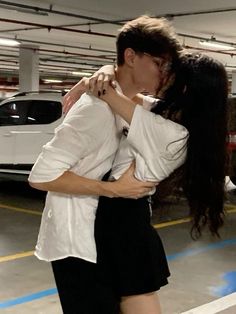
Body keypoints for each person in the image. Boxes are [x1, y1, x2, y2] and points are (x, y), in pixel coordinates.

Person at [28, 15, 182, 314]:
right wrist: (111, 190)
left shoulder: (134, 103)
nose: (164, 72)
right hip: (75, 242)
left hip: (102, 236)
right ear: (130, 56)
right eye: (158, 62)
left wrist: (96, 77)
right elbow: (40, 175)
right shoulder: (93, 111)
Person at [62, 52, 228, 314]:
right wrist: (105, 70)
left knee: (130, 297)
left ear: (185, 86)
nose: (160, 73)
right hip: (125, 216)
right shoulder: (174, 118)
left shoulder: (169, 132)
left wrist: (102, 76)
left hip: (120, 218)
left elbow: (110, 93)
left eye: (167, 70)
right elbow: (128, 93)